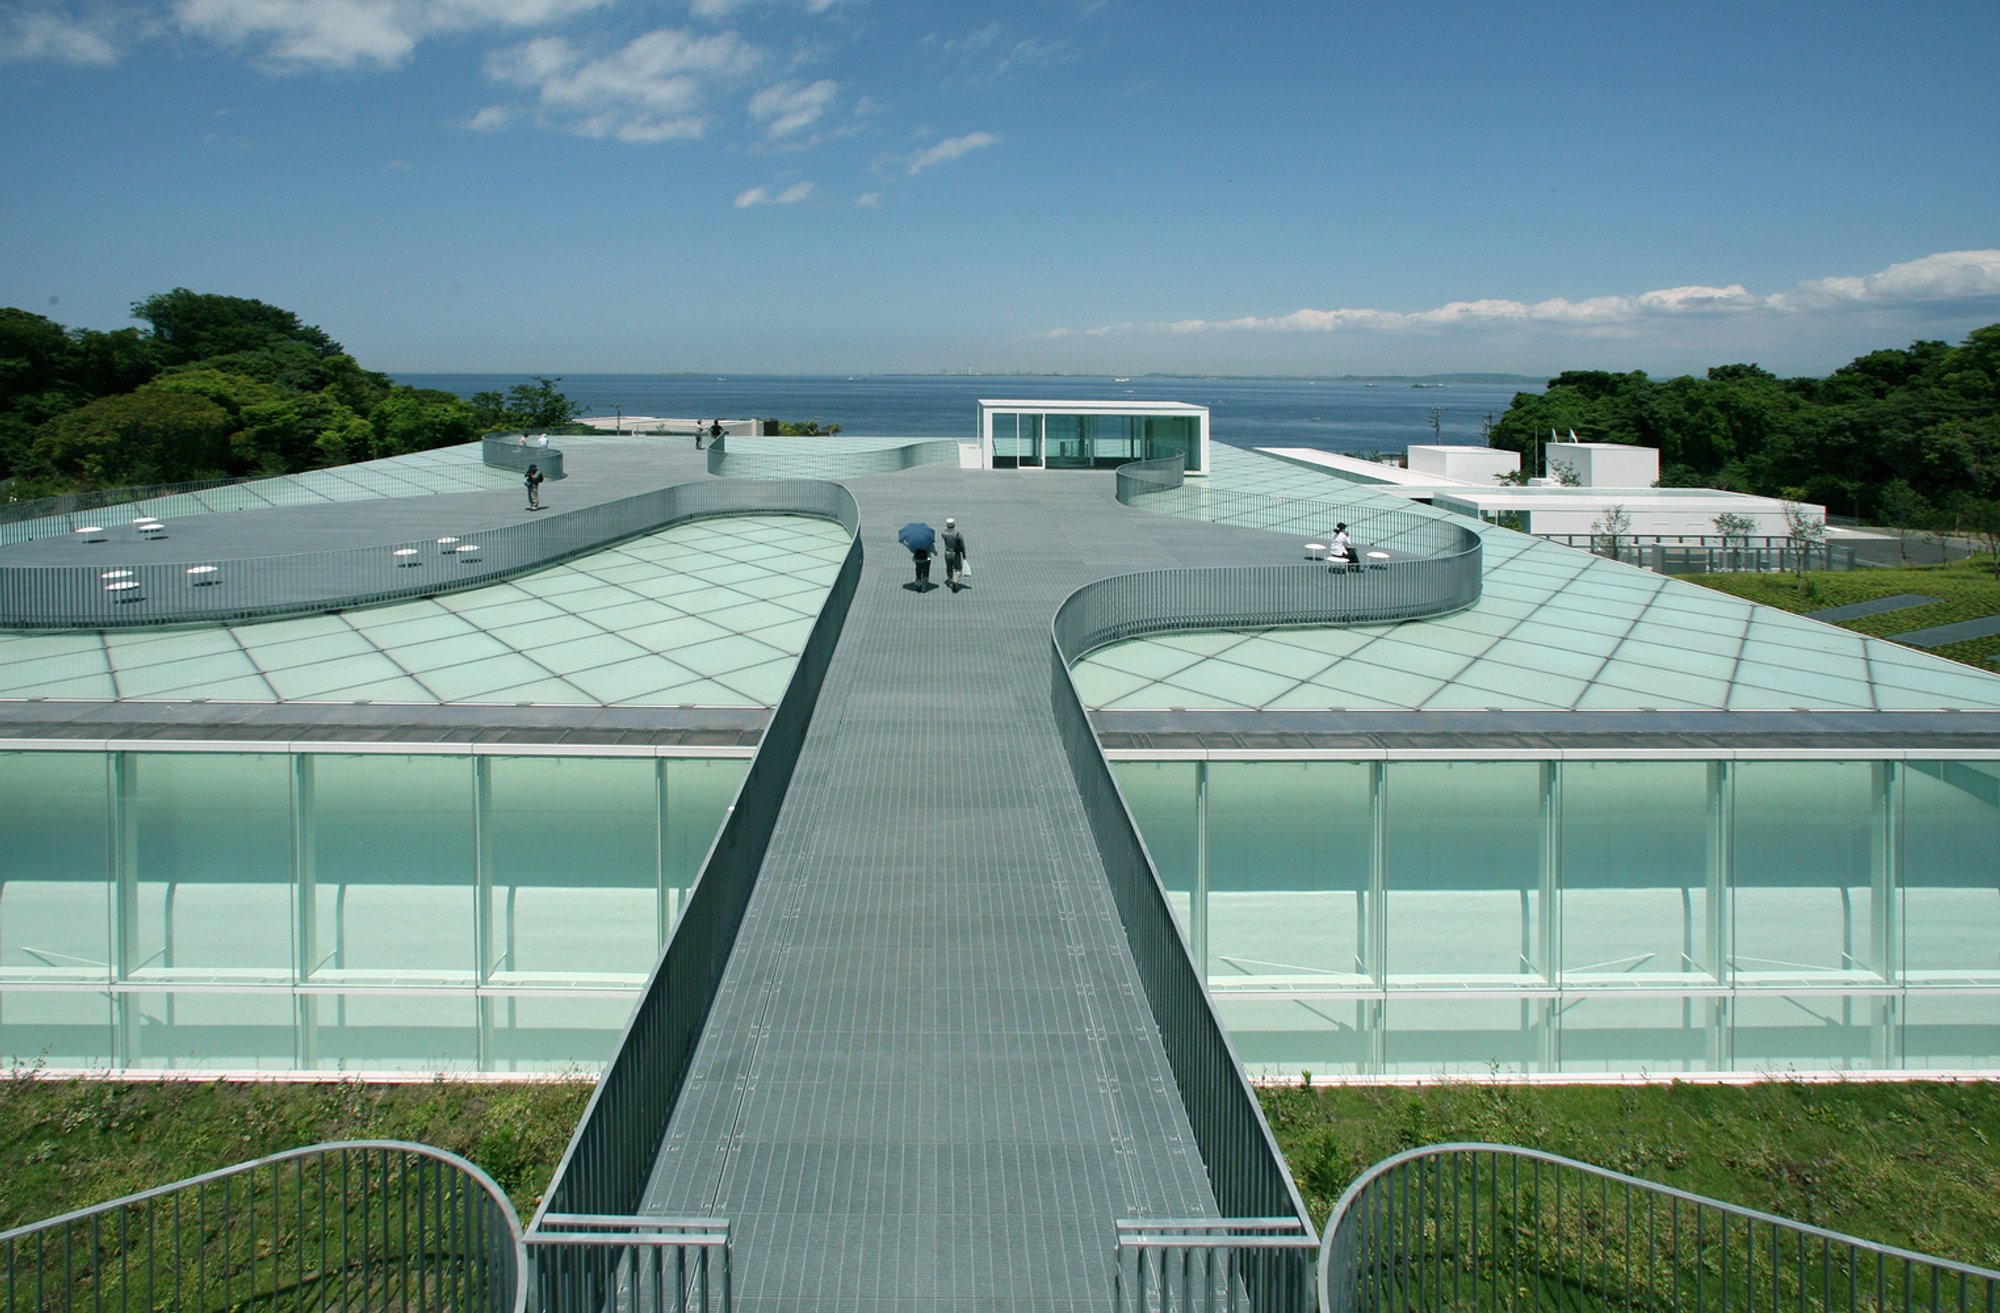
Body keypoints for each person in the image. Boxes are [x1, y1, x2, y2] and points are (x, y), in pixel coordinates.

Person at [941, 517, 970, 592]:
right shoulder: (958, 534)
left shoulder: (944, 533)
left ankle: (950, 579)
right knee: (958, 568)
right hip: (955, 553)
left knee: (949, 567)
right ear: (954, 525)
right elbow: (962, 545)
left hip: (947, 552)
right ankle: (955, 580)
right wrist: (964, 554)